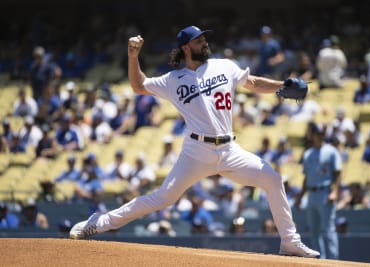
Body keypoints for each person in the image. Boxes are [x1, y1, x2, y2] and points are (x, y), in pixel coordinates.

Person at [69, 25, 319, 258]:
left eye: (204, 38)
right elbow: (138, 85)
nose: (204, 42)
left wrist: (281, 86)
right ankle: (97, 224)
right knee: (162, 199)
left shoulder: (224, 66)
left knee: (273, 179)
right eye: (198, 40)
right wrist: (133, 57)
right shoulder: (173, 80)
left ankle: (289, 241)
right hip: (196, 151)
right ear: (186, 48)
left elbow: (252, 82)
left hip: (230, 149)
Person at [295, 123, 342, 259]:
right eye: (318, 134)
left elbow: (338, 173)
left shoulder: (331, 151)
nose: (320, 136)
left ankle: (334, 261)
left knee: (329, 229)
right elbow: (306, 177)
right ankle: (320, 261)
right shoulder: (308, 154)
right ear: (312, 136)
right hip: (311, 194)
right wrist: (300, 197)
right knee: (314, 231)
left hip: (325, 193)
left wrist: (335, 192)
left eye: (322, 134)